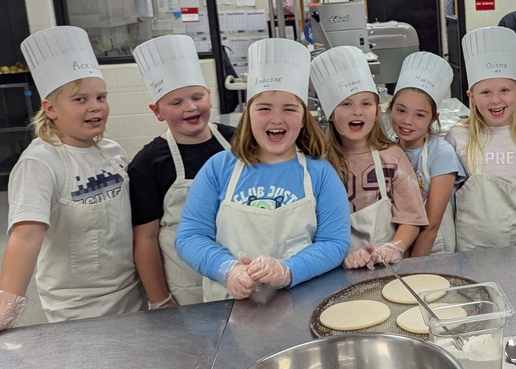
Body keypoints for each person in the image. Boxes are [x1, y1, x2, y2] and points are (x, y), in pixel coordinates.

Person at [176, 38, 349, 301]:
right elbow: (190, 236)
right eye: (264, 108)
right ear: (248, 114)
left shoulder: (320, 173)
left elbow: (334, 243)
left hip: (301, 302)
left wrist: (288, 270)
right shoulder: (219, 168)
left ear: (303, 119)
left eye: (289, 109)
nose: (276, 119)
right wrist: (229, 269)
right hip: (229, 305)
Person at [1, 26, 144, 329]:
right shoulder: (39, 162)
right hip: (78, 311)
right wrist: (5, 312)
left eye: (101, 97)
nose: (95, 107)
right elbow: (25, 236)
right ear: (50, 108)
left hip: (132, 296)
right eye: (80, 99)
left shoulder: (113, 152)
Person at [128, 35, 233, 307]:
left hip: (241, 272)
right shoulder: (148, 163)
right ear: (157, 111)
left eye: (197, 96)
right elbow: (146, 238)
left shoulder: (239, 141)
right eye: (176, 102)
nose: (190, 107)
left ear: (209, 96)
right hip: (187, 288)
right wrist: (160, 299)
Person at [311, 45, 427, 269]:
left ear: (376, 111)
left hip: (389, 268)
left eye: (366, 103)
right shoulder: (320, 164)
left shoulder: (392, 157)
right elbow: (314, 226)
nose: (357, 111)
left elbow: (411, 219)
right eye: (346, 104)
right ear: (331, 114)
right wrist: (344, 254)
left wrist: (394, 247)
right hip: (332, 268)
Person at [446, 26, 516, 250]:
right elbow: (450, 195)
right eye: (485, 92)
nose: (496, 100)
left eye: (504, 90)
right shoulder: (458, 136)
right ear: (471, 97)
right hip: (472, 250)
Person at [389, 51, 464, 256]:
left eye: (420, 115)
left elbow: (431, 224)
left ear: (433, 118)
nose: (407, 121)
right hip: (398, 247)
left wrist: (413, 268)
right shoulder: (387, 149)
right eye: (401, 110)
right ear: (390, 108)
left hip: (434, 249)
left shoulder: (441, 153)